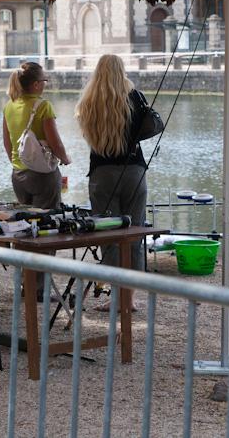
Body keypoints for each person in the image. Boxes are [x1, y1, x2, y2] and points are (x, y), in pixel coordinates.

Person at [75, 54, 148, 312]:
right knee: (133, 233)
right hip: (134, 172)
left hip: (102, 174)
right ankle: (129, 299)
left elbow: (88, 136)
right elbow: (148, 127)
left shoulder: (88, 102)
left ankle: (116, 298)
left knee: (109, 234)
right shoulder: (135, 98)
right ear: (122, 70)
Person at [2, 61, 71, 301]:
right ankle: (39, 290)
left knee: (24, 228)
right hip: (43, 176)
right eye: (43, 81)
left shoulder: (10, 106)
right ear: (35, 84)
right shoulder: (43, 106)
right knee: (46, 230)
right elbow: (55, 142)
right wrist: (66, 158)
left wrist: (18, 164)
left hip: (18, 174)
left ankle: (25, 285)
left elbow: (8, 144)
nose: (45, 85)